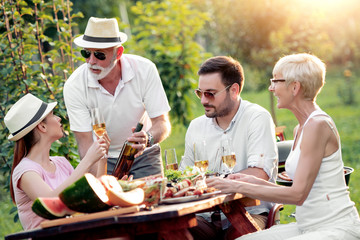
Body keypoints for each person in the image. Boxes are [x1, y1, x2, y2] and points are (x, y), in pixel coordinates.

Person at [206, 53, 360, 239]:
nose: (271, 88)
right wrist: (250, 181)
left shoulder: (317, 125)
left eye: (276, 81)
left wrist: (235, 185)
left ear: (295, 87)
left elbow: (297, 195)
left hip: (334, 227)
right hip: (307, 226)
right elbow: (300, 189)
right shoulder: (300, 128)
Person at [179, 56, 278, 239]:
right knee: (172, 233)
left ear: (234, 90)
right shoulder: (196, 127)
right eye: (199, 93)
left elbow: (260, 173)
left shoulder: (257, 118)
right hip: (204, 216)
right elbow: (185, 176)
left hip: (250, 213)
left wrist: (217, 183)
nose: (202, 100)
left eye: (210, 93)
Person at [63, 17, 171, 179]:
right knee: (111, 204)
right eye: (86, 53)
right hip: (103, 160)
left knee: (154, 200)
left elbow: (162, 123)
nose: (91, 61)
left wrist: (147, 138)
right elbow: (85, 144)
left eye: (99, 55)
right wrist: (101, 185)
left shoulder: (145, 70)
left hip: (144, 155)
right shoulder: (75, 86)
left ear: (118, 53)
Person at [4, 93, 109, 230]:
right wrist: (88, 160)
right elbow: (50, 202)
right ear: (42, 127)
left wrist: (102, 158)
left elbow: (92, 198)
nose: (59, 118)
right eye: (53, 115)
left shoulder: (61, 163)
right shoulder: (25, 171)